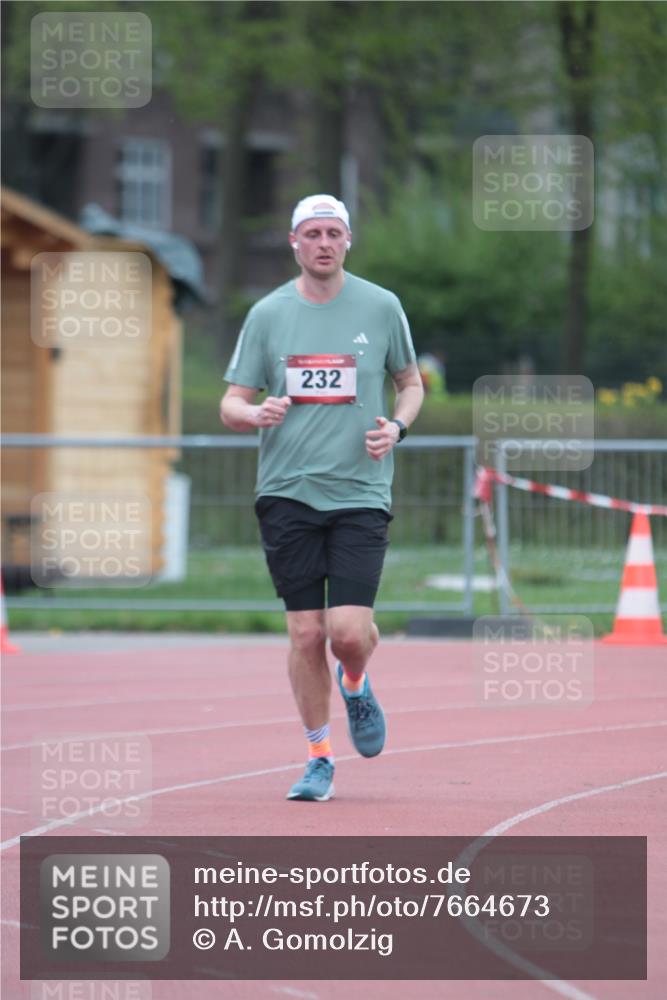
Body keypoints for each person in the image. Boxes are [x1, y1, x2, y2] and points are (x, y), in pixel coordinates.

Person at [220, 194, 424, 802]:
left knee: (347, 632)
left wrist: (397, 427)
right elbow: (231, 403)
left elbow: (409, 383)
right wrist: (255, 413)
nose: (324, 243)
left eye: (334, 233)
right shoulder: (268, 314)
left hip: (360, 490)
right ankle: (318, 758)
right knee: (307, 635)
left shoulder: (381, 306)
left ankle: (355, 682)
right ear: (295, 243)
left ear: (348, 240)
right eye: (312, 234)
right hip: (287, 491)